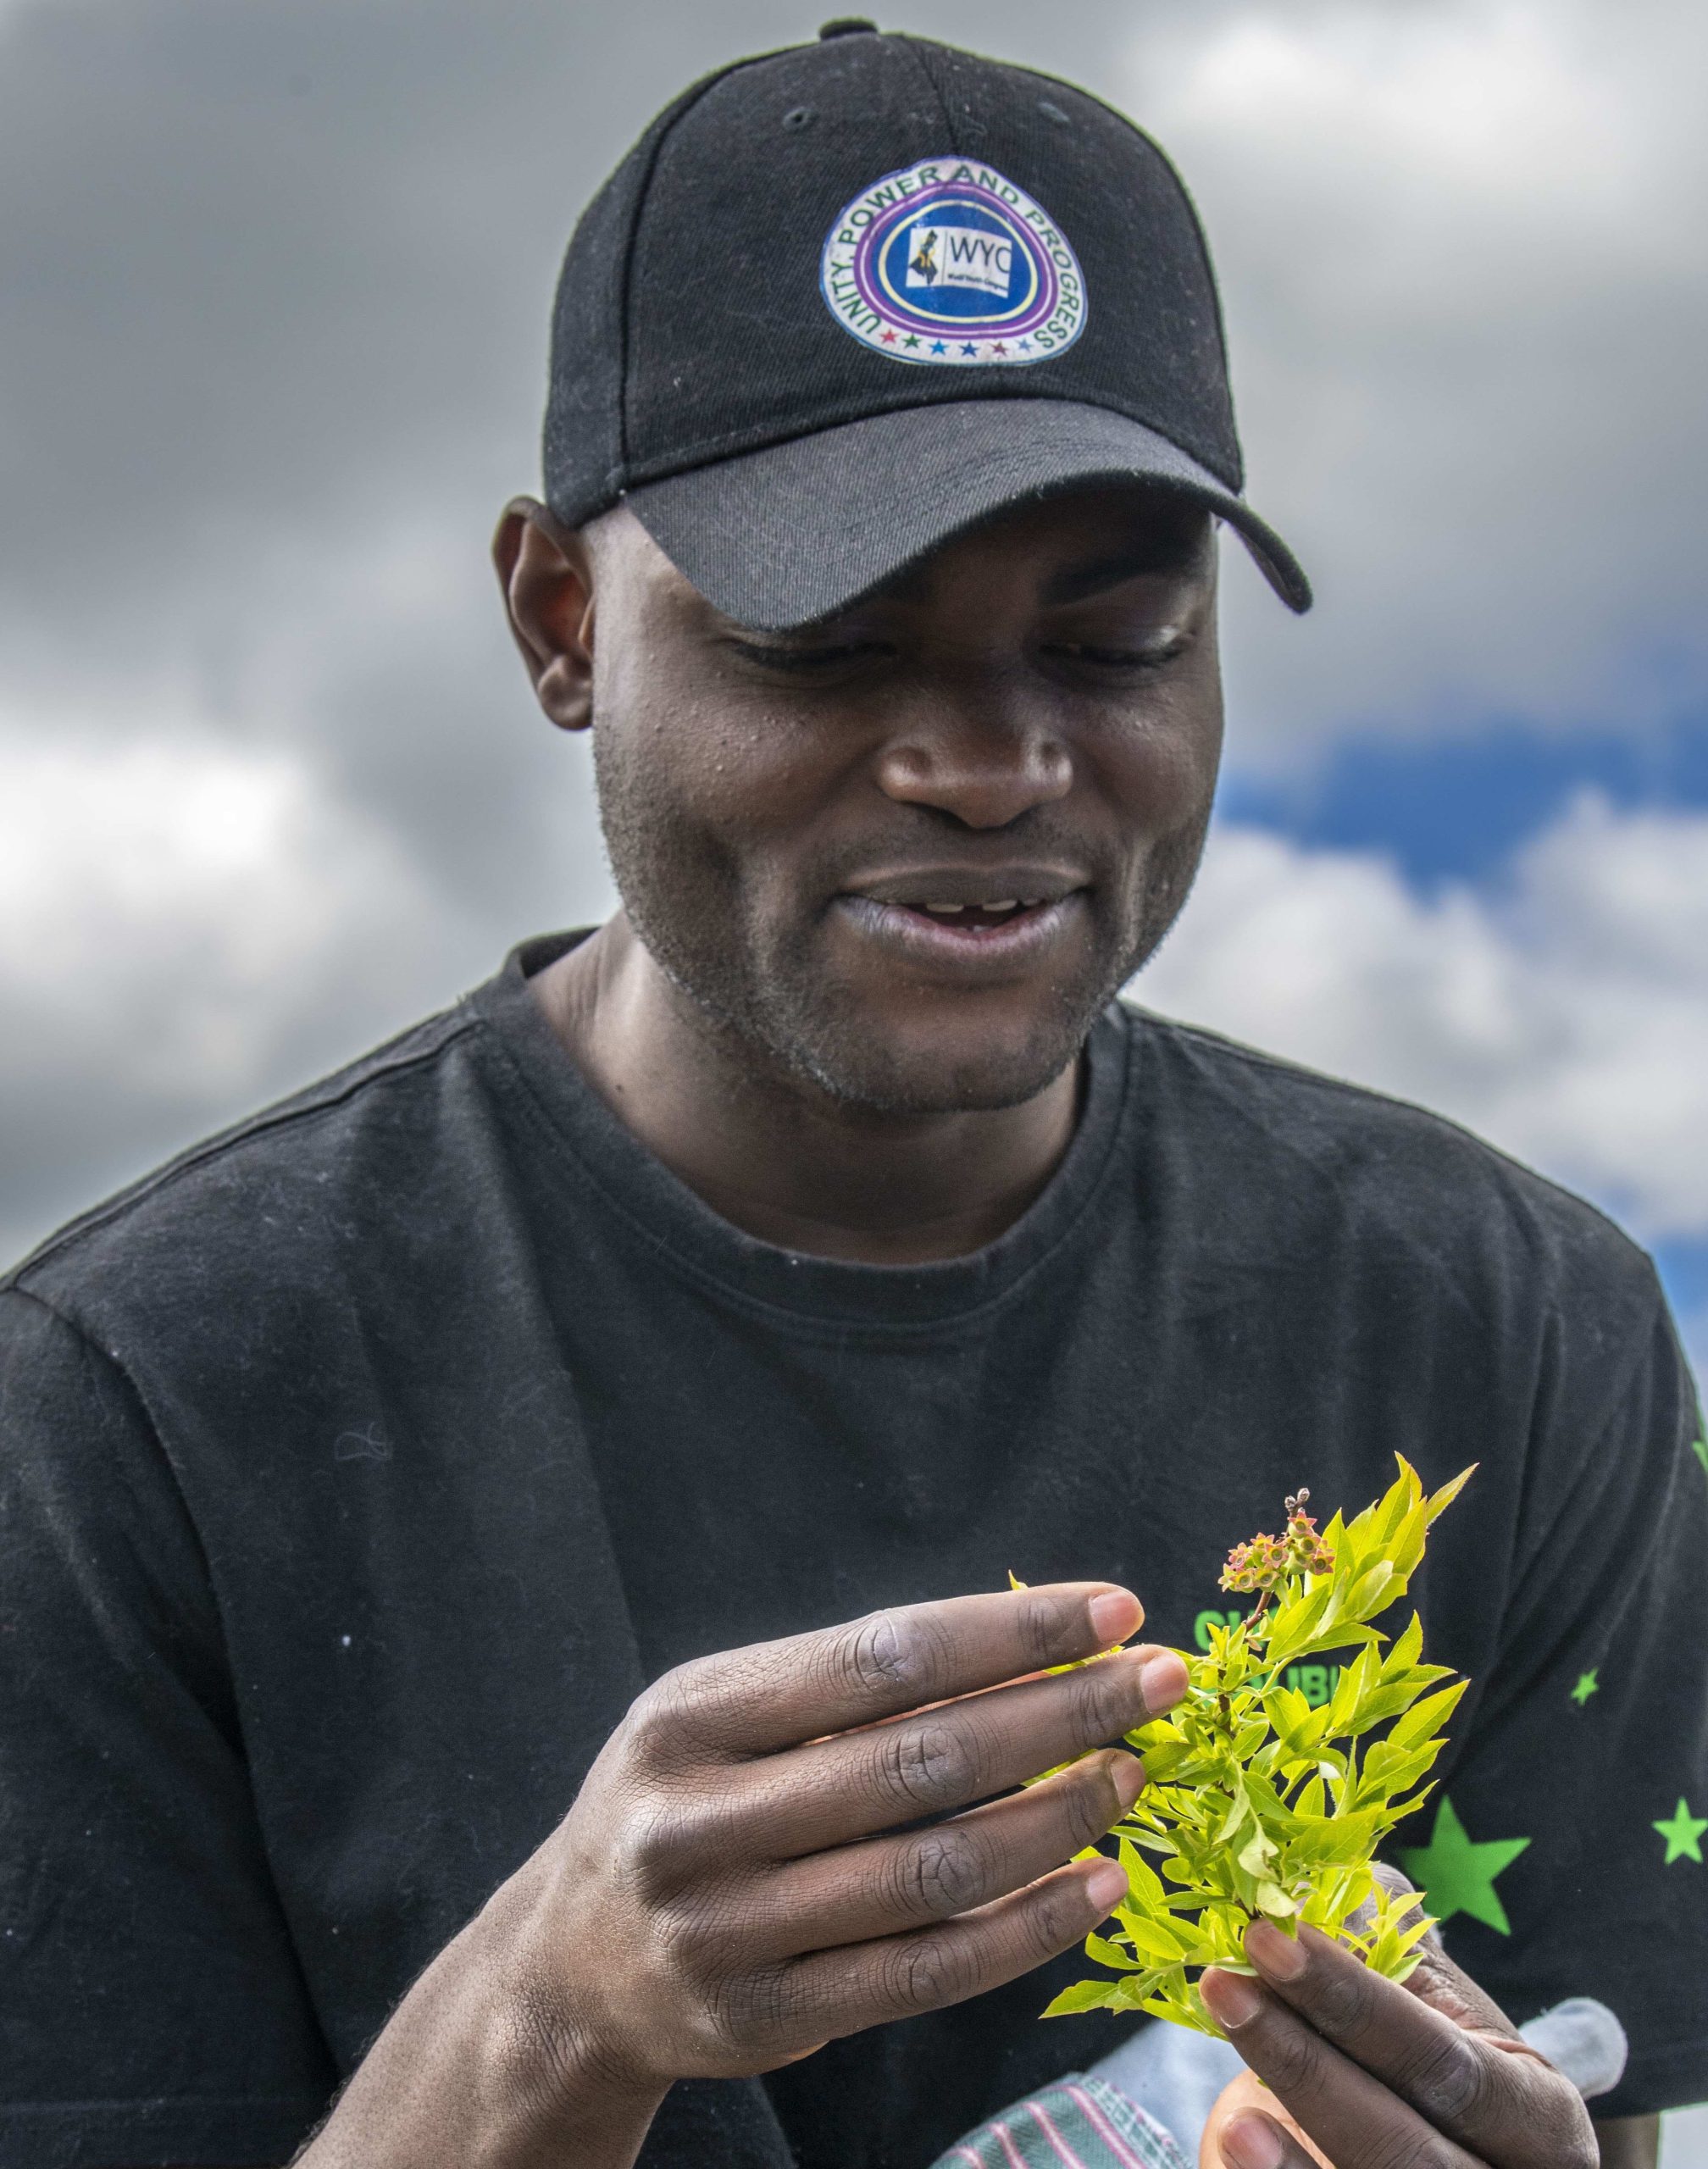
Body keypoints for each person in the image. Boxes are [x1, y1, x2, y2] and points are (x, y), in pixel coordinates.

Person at [2, 22, 1704, 2169]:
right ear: (560, 623)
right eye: (826, 644)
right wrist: (550, 2019)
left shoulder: (1516, 1322)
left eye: (1114, 643)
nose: (989, 766)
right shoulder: (130, 1406)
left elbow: (1601, 2115)